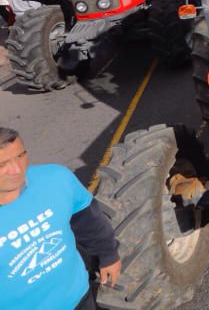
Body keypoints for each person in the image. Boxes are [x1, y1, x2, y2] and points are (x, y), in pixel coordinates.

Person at [0, 127, 121, 309]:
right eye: (2, 164)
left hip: (80, 297)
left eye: (20, 155)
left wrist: (108, 255)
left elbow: (88, 221)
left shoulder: (56, 179)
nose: (17, 169)